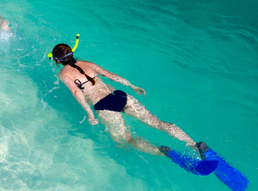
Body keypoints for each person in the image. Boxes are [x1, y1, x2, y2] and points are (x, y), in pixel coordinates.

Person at [51, 41, 206, 158]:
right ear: (72, 52)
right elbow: (112, 76)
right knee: (157, 123)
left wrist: (90, 114)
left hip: (104, 106)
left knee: (126, 140)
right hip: (120, 96)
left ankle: (163, 152)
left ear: (58, 61)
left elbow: (76, 92)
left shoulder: (64, 74)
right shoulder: (88, 63)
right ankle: (194, 144)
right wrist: (132, 86)